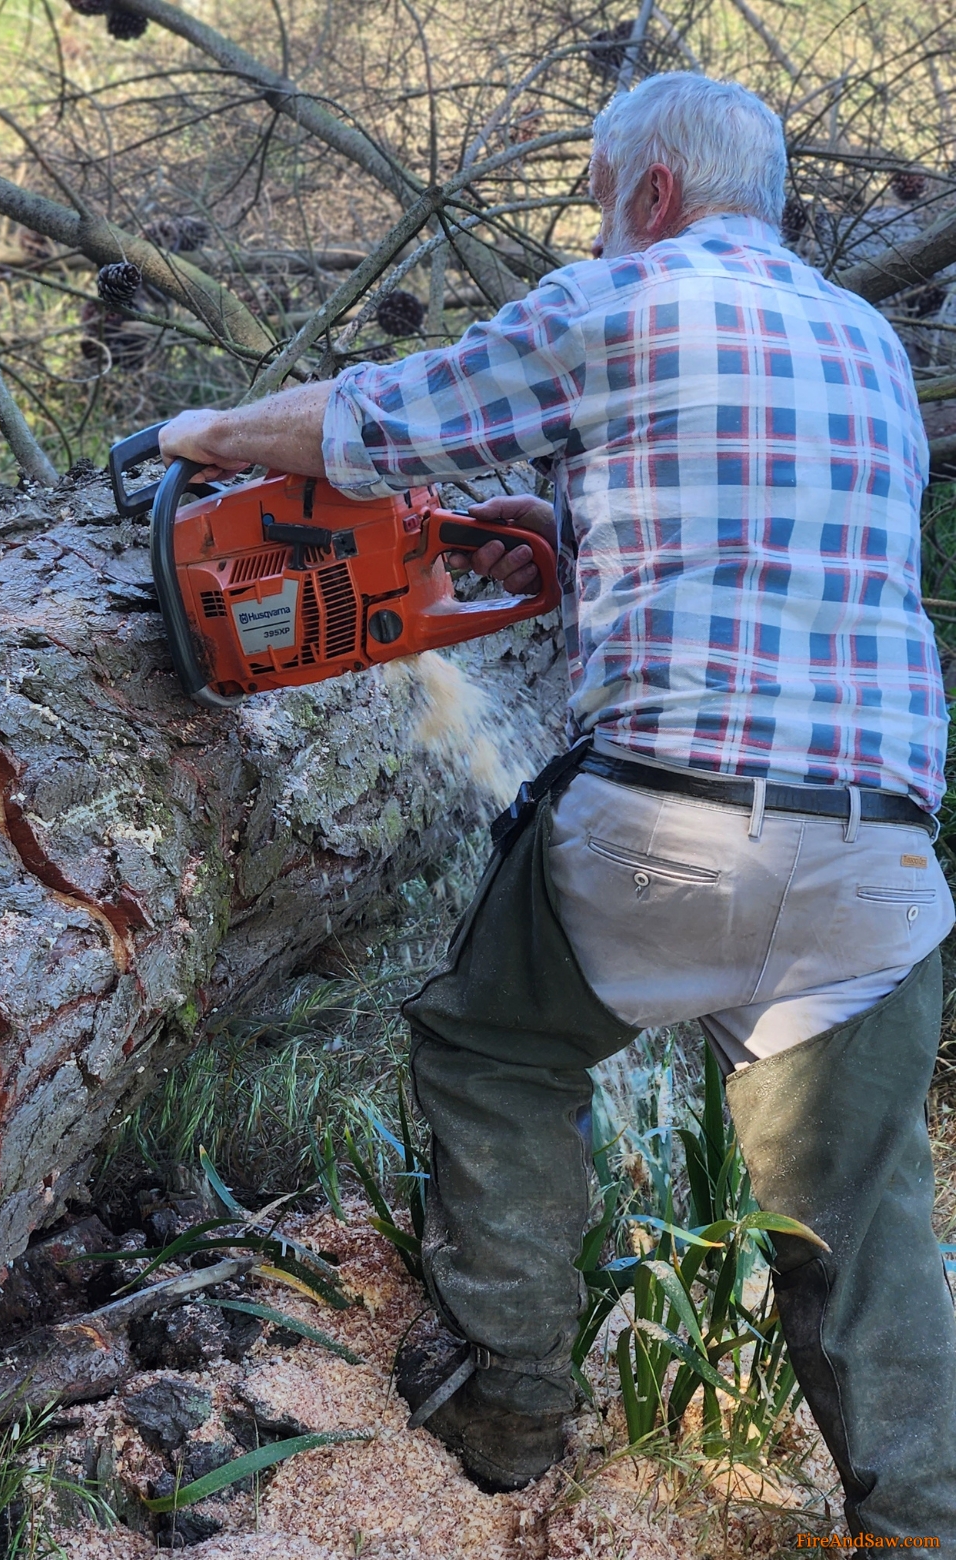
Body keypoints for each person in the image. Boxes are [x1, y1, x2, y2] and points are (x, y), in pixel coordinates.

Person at [159, 72, 956, 1544]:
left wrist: (205, 430)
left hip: (666, 820)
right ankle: (920, 1522)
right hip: (880, 865)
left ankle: (508, 1403)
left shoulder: (626, 297)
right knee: (860, 1222)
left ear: (647, 192)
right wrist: (583, 536)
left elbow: (379, 423)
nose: (598, 218)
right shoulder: (865, 340)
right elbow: (771, 554)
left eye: (599, 192)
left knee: (494, 1048)